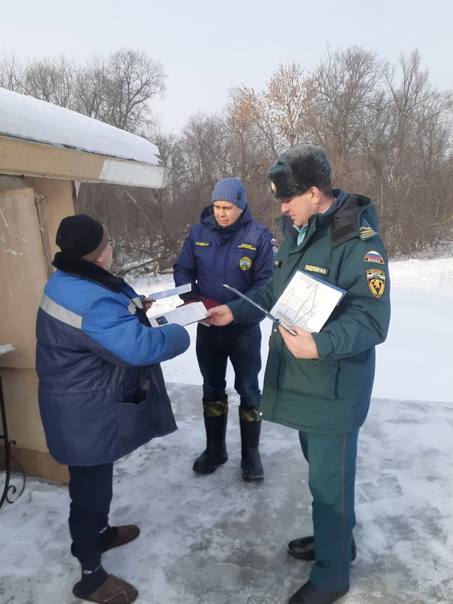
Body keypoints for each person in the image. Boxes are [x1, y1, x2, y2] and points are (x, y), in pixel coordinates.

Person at [207, 146, 391, 604]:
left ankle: (332, 576)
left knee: (331, 484)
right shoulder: (299, 229)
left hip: (333, 385)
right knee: (321, 477)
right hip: (304, 381)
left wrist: (319, 344)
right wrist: (233, 311)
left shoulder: (358, 240)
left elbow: (373, 319)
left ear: (314, 192)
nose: (282, 208)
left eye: (288, 199)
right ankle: (337, 543)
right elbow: (277, 286)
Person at [35, 214, 190, 604]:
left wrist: (138, 307)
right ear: (96, 253)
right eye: (107, 242)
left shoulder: (72, 279)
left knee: (95, 486)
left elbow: (109, 312)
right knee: (89, 494)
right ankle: (90, 575)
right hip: (82, 415)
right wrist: (178, 330)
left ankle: (100, 536)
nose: (111, 246)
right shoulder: (88, 299)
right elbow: (140, 347)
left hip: (80, 405)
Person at [173, 178, 274, 481]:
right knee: (212, 387)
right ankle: (215, 449)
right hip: (208, 327)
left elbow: (267, 284)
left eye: (227, 207)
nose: (221, 213)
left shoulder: (258, 236)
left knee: (249, 389)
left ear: (240, 206)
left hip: (242, 328)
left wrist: (235, 312)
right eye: (217, 207)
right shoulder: (198, 233)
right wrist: (193, 303)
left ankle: (251, 455)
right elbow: (183, 271)